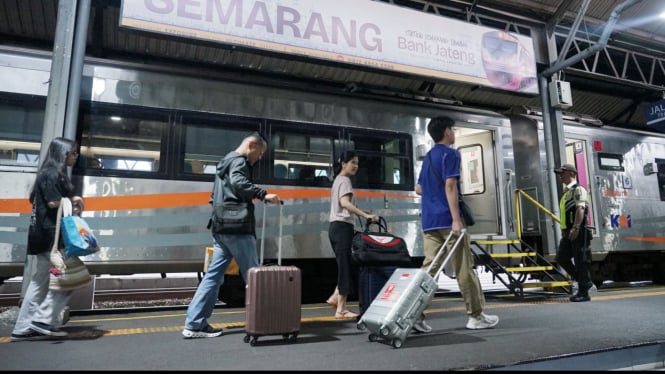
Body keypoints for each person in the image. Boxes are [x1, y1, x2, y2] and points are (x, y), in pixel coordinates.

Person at [182, 132, 280, 339]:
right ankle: (266, 321)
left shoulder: (224, 161)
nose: (259, 158)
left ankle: (194, 324)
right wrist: (263, 194)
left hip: (221, 228)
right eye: (260, 153)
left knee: (213, 277)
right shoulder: (239, 162)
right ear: (251, 145)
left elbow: (214, 196)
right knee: (254, 276)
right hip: (238, 229)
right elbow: (238, 182)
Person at [414, 116, 499, 332]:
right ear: (446, 132)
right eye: (452, 128)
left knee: (428, 271)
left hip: (429, 222)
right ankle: (476, 316)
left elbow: (419, 189)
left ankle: (414, 316)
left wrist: (434, 196)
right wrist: (455, 219)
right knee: (464, 268)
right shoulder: (451, 154)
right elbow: (450, 186)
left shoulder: (429, 157)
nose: (453, 132)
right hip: (447, 220)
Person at [11, 137, 81, 341]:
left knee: (40, 282)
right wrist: (73, 200)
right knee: (69, 279)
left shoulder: (48, 173)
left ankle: (23, 327)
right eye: (73, 153)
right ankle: (42, 320)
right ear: (63, 153)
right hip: (51, 237)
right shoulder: (52, 174)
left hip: (44, 236)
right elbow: (52, 202)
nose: (75, 156)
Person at [326, 150, 379, 320]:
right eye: (352, 162)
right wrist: (365, 216)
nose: (355, 166)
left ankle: (336, 297)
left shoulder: (338, 181)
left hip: (335, 227)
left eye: (357, 163)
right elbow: (345, 204)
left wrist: (365, 213)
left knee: (345, 265)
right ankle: (341, 309)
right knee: (345, 267)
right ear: (343, 164)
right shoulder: (345, 180)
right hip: (342, 228)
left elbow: (343, 206)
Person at [553, 163, 593, 302]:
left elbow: (580, 209)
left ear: (572, 174)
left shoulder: (578, 190)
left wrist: (576, 227)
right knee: (561, 258)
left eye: (562, 173)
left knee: (581, 261)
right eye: (559, 173)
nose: (560, 176)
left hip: (578, 231)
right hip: (568, 231)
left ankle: (584, 292)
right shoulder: (566, 193)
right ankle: (584, 282)